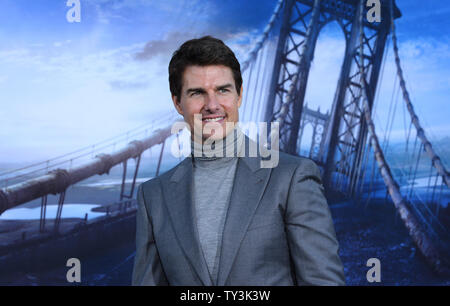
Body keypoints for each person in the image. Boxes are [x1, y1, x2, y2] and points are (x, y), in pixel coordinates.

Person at [132, 36, 345, 286]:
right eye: (197, 93)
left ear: (239, 95)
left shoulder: (292, 177)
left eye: (223, 90)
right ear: (178, 102)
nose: (212, 105)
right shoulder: (153, 197)